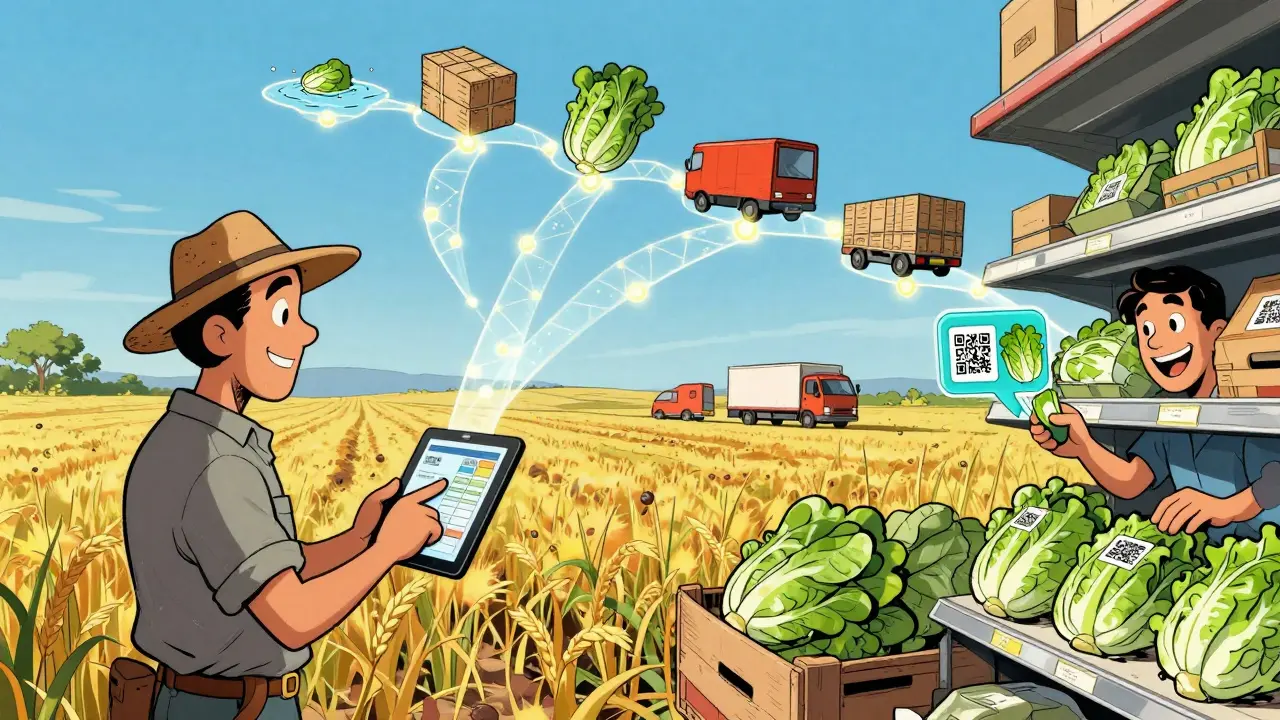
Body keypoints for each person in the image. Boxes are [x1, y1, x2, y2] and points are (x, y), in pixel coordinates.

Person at [120, 210, 447, 720]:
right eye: (283, 315)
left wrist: (357, 539)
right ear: (220, 337)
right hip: (233, 710)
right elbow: (291, 617)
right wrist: (386, 550)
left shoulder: (185, 439)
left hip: (198, 701)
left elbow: (258, 570)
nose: (307, 333)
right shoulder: (218, 464)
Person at [1030, 265, 1280, 541]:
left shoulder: (1248, 396)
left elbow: (1275, 479)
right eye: (1147, 330)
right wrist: (1084, 448)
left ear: (1216, 332)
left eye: (1174, 324)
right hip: (1212, 555)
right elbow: (1132, 480)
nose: (1157, 343)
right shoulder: (1168, 413)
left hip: (1267, 551)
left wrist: (1226, 508)